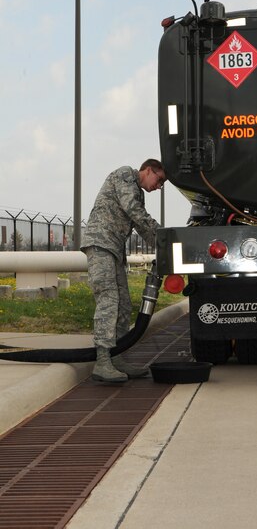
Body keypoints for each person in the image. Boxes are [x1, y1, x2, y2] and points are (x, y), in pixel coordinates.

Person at [81, 159, 166, 383]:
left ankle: (116, 357)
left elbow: (139, 224)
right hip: (101, 245)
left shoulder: (137, 192)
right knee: (109, 299)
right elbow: (134, 212)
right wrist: (164, 236)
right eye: (160, 180)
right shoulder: (125, 175)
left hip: (114, 249)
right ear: (148, 170)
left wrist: (164, 245)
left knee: (124, 303)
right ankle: (102, 361)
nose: (159, 186)